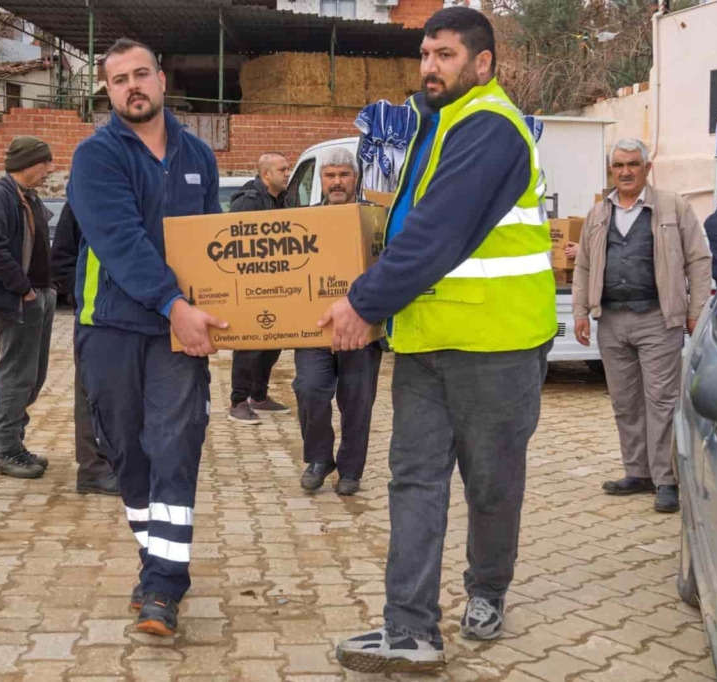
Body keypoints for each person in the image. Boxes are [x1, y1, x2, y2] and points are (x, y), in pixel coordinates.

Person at [322, 8, 557, 672]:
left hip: (497, 345)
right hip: (426, 344)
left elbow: (438, 233)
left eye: (445, 55)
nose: (429, 66)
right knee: (414, 482)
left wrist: (363, 304)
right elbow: (408, 228)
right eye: (425, 54)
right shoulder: (439, 125)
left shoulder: (490, 127)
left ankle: (487, 590)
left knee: (490, 485)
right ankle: (410, 628)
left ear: (483, 64)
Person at [67, 38, 226, 637]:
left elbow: (211, 243)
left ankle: (164, 586)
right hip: (110, 326)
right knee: (128, 455)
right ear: (107, 91)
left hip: (176, 335)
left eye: (141, 74)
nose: (131, 86)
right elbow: (119, 241)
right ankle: (151, 561)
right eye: (117, 80)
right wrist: (172, 302)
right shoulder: (96, 157)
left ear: (161, 80)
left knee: (176, 446)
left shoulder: (199, 156)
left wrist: (213, 308)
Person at [572, 138, 711, 514]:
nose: (626, 171)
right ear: (611, 170)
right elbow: (583, 264)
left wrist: (695, 309)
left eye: (633, 164)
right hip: (611, 321)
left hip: (657, 319)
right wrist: (581, 312)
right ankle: (638, 472)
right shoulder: (599, 213)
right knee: (625, 402)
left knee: (662, 402)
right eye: (619, 165)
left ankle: (666, 480)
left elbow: (699, 260)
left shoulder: (672, 206)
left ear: (647, 168)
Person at [295, 147, 382, 497]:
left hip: (361, 329)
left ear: (355, 178)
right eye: (330, 175)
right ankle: (318, 458)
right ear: (320, 180)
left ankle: (350, 470)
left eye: (343, 175)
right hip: (314, 328)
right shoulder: (303, 221)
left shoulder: (372, 218)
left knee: (357, 401)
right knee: (309, 388)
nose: (336, 182)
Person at [0, 136, 56, 480]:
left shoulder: (28, 197)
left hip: (39, 297)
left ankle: (16, 444)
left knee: (33, 377)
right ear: (29, 163)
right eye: (45, 162)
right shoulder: (0, 196)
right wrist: (23, 289)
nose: (50, 169)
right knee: (17, 376)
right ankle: (4, 451)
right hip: (19, 301)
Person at [50, 203, 120, 496]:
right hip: (94, 316)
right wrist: (78, 295)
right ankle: (92, 469)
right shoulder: (83, 198)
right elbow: (62, 258)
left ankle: (118, 463)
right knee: (91, 394)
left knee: (124, 395)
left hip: (132, 313)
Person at [227, 152, 293, 425]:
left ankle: (259, 396)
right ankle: (238, 402)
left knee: (274, 341)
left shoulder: (282, 199)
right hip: (251, 285)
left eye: (288, 169)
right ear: (266, 174)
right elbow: (239, 243)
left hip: (275, 283)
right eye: (282, 169)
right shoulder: (249, 201)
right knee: (249, 344)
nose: (287, 173)